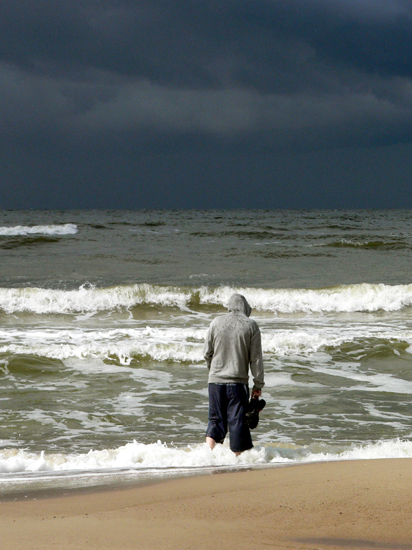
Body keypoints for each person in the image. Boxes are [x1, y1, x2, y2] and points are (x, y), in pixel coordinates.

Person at [203, 293, 264, 455]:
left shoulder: (216, 323)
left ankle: (207, 458)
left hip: (215, 382)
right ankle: (238, 462)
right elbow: (256, 359)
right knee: (237, 424)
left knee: (215, 420)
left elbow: (207, 353)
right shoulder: (250, 325)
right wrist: (258, 385)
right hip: (237, 384)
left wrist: (214, 372)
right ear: (245, 308)